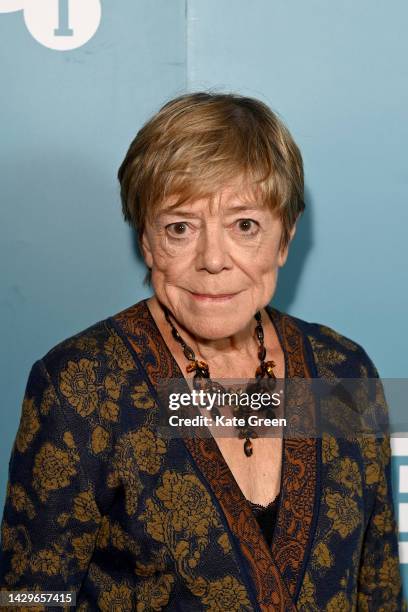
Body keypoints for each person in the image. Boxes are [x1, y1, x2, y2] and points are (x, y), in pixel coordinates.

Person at [0, 92, 404, 611]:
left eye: (244, 225)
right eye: (179, 228)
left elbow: (378, 591)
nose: (213, 259)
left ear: (285, 237)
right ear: (145, 241)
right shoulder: (84, 385)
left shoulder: (342, 371)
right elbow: (29, 599)